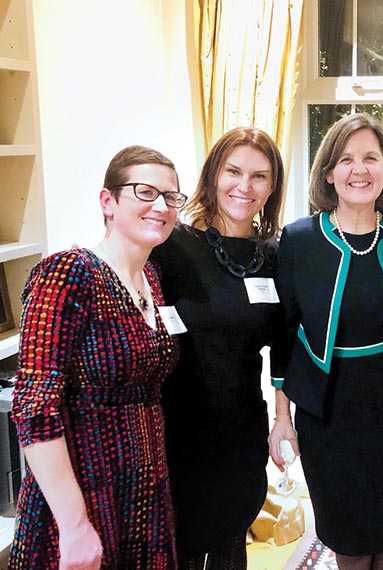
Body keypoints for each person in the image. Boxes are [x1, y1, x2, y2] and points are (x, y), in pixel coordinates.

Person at [269, 113, 383, 569]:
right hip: (329, 411)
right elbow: (284, 332)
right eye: (345, 159)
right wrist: (282, 417)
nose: (358, 169)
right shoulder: (300, 240)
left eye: (370, 158)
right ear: (328, 173)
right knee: (350, 537)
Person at [10, 146, 184, 569]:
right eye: (145, 192)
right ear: (108, 201)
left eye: (170, 196)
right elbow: (33, 407)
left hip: (144, 492)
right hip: (84, 492)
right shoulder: (68, 274)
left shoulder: (152, 279)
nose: (160, 206)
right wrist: (74, 525)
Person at [150, 126, 287, 568]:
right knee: (182, 551)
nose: (244, 187)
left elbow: (285, 345)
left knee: (231, 544)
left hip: (241, 431)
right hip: (178, 433)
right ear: (212, 175)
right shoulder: (171, 244)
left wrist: (283, 419)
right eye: (233, 171)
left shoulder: (275, 255)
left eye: (259, 176)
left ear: (272, 186)